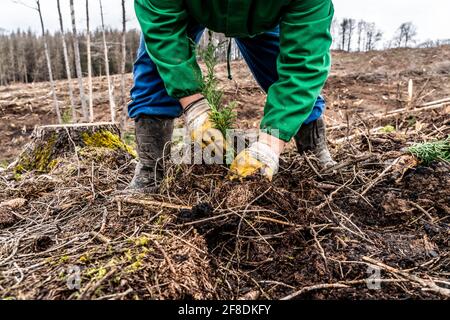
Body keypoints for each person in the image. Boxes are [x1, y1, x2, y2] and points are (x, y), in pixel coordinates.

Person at [128, 0, 336, 191]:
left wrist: (269, 145)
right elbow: (162, 29)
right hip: (191, 6)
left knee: (285, 75)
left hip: (262, 15)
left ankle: (313, 153)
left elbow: (303, 64)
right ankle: (150, 169)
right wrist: (195, 107)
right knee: (156, 67)